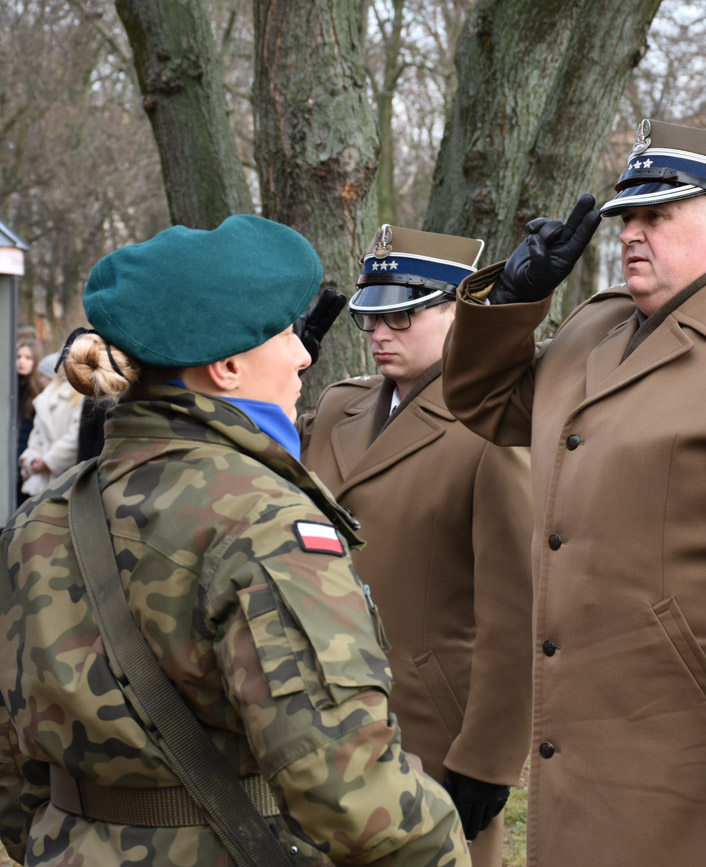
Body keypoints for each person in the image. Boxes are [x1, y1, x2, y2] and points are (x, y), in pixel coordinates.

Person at [442, 118, 706, 867]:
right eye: (625, 218)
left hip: (704, 747)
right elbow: (486, 402)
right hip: (590, 727)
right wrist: (513, 298)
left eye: (657, 214)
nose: (631, 233)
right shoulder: (596, 328)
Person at [0, 214, 467, 866]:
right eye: (283, 333)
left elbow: (13, 776)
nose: (304, 354)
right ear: (225, 366)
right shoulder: (263, 520)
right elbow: (353, 795)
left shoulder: (34, 522)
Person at [300, 225, 533, 864]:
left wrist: (489, 757)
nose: (379, 333)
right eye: (371, 318)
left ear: (460, 312)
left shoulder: (493, 430)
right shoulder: (339, 409)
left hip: (429, 723)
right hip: (316, 716)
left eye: (401, 315)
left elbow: (514, 611)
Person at [19, 353, 84, 498]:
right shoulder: (45, 397)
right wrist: (31, 459)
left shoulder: (80, 396)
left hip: (64, 476)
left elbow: (75, 435)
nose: (60, 364)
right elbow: (36, 435)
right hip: (39, 480)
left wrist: (48, 462)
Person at [14, 336, 44, 506]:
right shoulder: (11, 387)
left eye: (27, 357)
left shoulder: (40, 394)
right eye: (18, 357)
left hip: (29, 462)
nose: (21, 362)